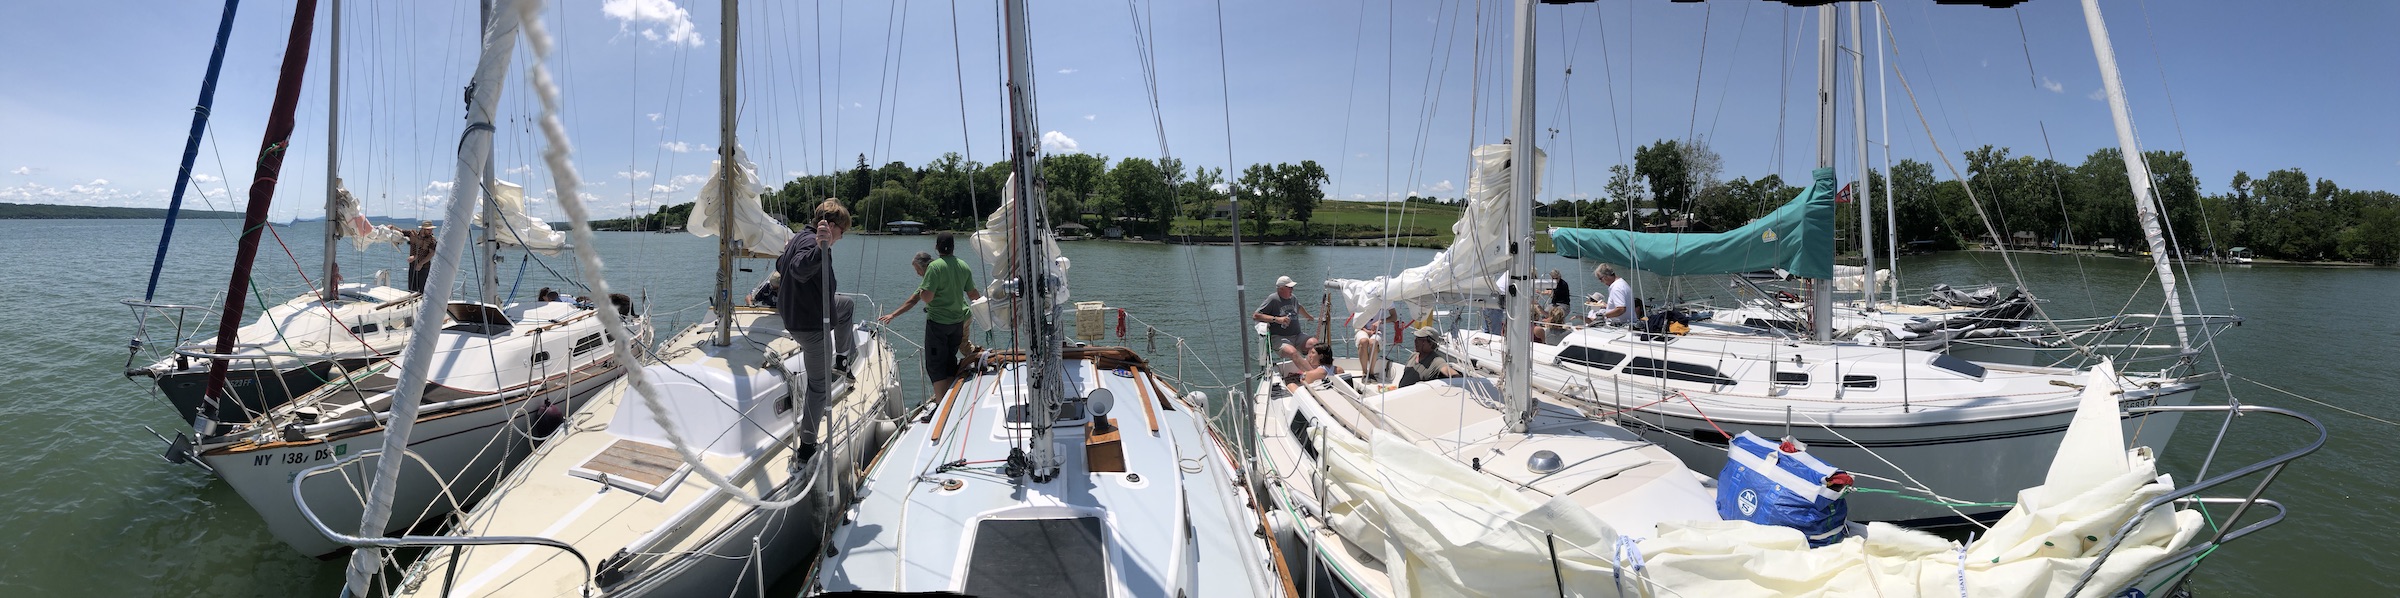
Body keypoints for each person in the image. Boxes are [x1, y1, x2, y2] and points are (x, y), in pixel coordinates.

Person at [775, 198, 854, 462]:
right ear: (831, 226)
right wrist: (821, 248)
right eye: (841, 233)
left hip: (802, 313)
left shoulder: (799, 237)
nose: (840, 239)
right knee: (820, 388)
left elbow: (781, 265)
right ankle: (807, 445)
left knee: (845, 306)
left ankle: (842, 358)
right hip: (810, 325)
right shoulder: (814, 243)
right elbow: (798, 269)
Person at [880, 234, 983, 399]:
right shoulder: (963, 265)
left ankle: (940, 404)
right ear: (953, 246)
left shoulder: (935, 268)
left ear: (937, 247)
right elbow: (973, 294)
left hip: (939, 324)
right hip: (958, 322)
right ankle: (950, 398)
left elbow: (926, 297)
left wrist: (923, 291)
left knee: (935, 365)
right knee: (950, 360)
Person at [1253, 275, 1319, 364]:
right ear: (1281, 289)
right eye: (1289, 287)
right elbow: (1256, 315)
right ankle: (1311, 374)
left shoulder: (1293, 298)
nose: (1292, 289)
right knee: (1293, 352)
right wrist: (1277, 319)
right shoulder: (1273, 299)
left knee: (1316, 345)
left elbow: (1299, 307)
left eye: (1292, 287)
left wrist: (1308, 316)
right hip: (1280, 338)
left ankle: (1313, 368)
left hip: (1297, 335)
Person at [1395, 326, 1460, 388]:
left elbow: (1452, 373)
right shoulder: (1413, 355)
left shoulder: (1436, 361)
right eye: (1416, 338)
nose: (1415, 341)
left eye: (1420, 339)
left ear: (1430, 343)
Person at [1350, 307, 1399, 383]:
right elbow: (1356, 321)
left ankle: (1371, 373)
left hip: (1379, 329)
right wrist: (1367, 331)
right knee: (1363, 341)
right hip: (1361, 328)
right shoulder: (1361, 299)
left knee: (1373, 343)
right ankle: (1364, 373)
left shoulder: (1386, 300)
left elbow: (1394, 317)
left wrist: (1380, 321)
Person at [402, 220, 437, 293]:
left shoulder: (432, 240)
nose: (430, 231)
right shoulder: (413, 234)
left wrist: (421, 263)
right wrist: (393, 228)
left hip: (424, 266)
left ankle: (422, 302)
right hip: (412, 265)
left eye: (431, 229)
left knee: (423, 288)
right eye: (428, 230)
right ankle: (412, 302)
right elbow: (401, 231)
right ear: (423, 229)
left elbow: (431, 253)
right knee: (412, 288)